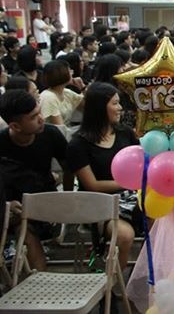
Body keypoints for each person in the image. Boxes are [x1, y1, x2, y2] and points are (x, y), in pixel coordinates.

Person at [65, 82, 137, 269]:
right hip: (99, 203)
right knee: (124, 236)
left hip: (132, 198)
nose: (120, 108)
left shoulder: (125, 133)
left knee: (161, 222)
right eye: (115, 103)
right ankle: (114, 281)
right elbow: (93, 185)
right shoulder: (78, 145)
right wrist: (129, 183)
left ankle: (149, 274)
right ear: (99, 108)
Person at [0, 90, 72, 270]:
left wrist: (68, 196)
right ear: (15, 126)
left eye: (39, 112)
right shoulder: (2, 143)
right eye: (33, 117)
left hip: (45, 203)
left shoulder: (51, 134)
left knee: (24, 227)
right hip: (10, 207)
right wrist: (7, 204)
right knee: (19, 222)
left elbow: (69, 169)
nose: (41, 118)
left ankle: (38, 276)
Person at [38, 60, 84, 129]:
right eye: (69, 71)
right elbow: (61, 129)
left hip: (67, 130)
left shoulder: (66, 92)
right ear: (62, 74)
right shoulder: (48, 96)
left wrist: (82, 87)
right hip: (57, 134)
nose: (72, 72)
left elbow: (87, 106)